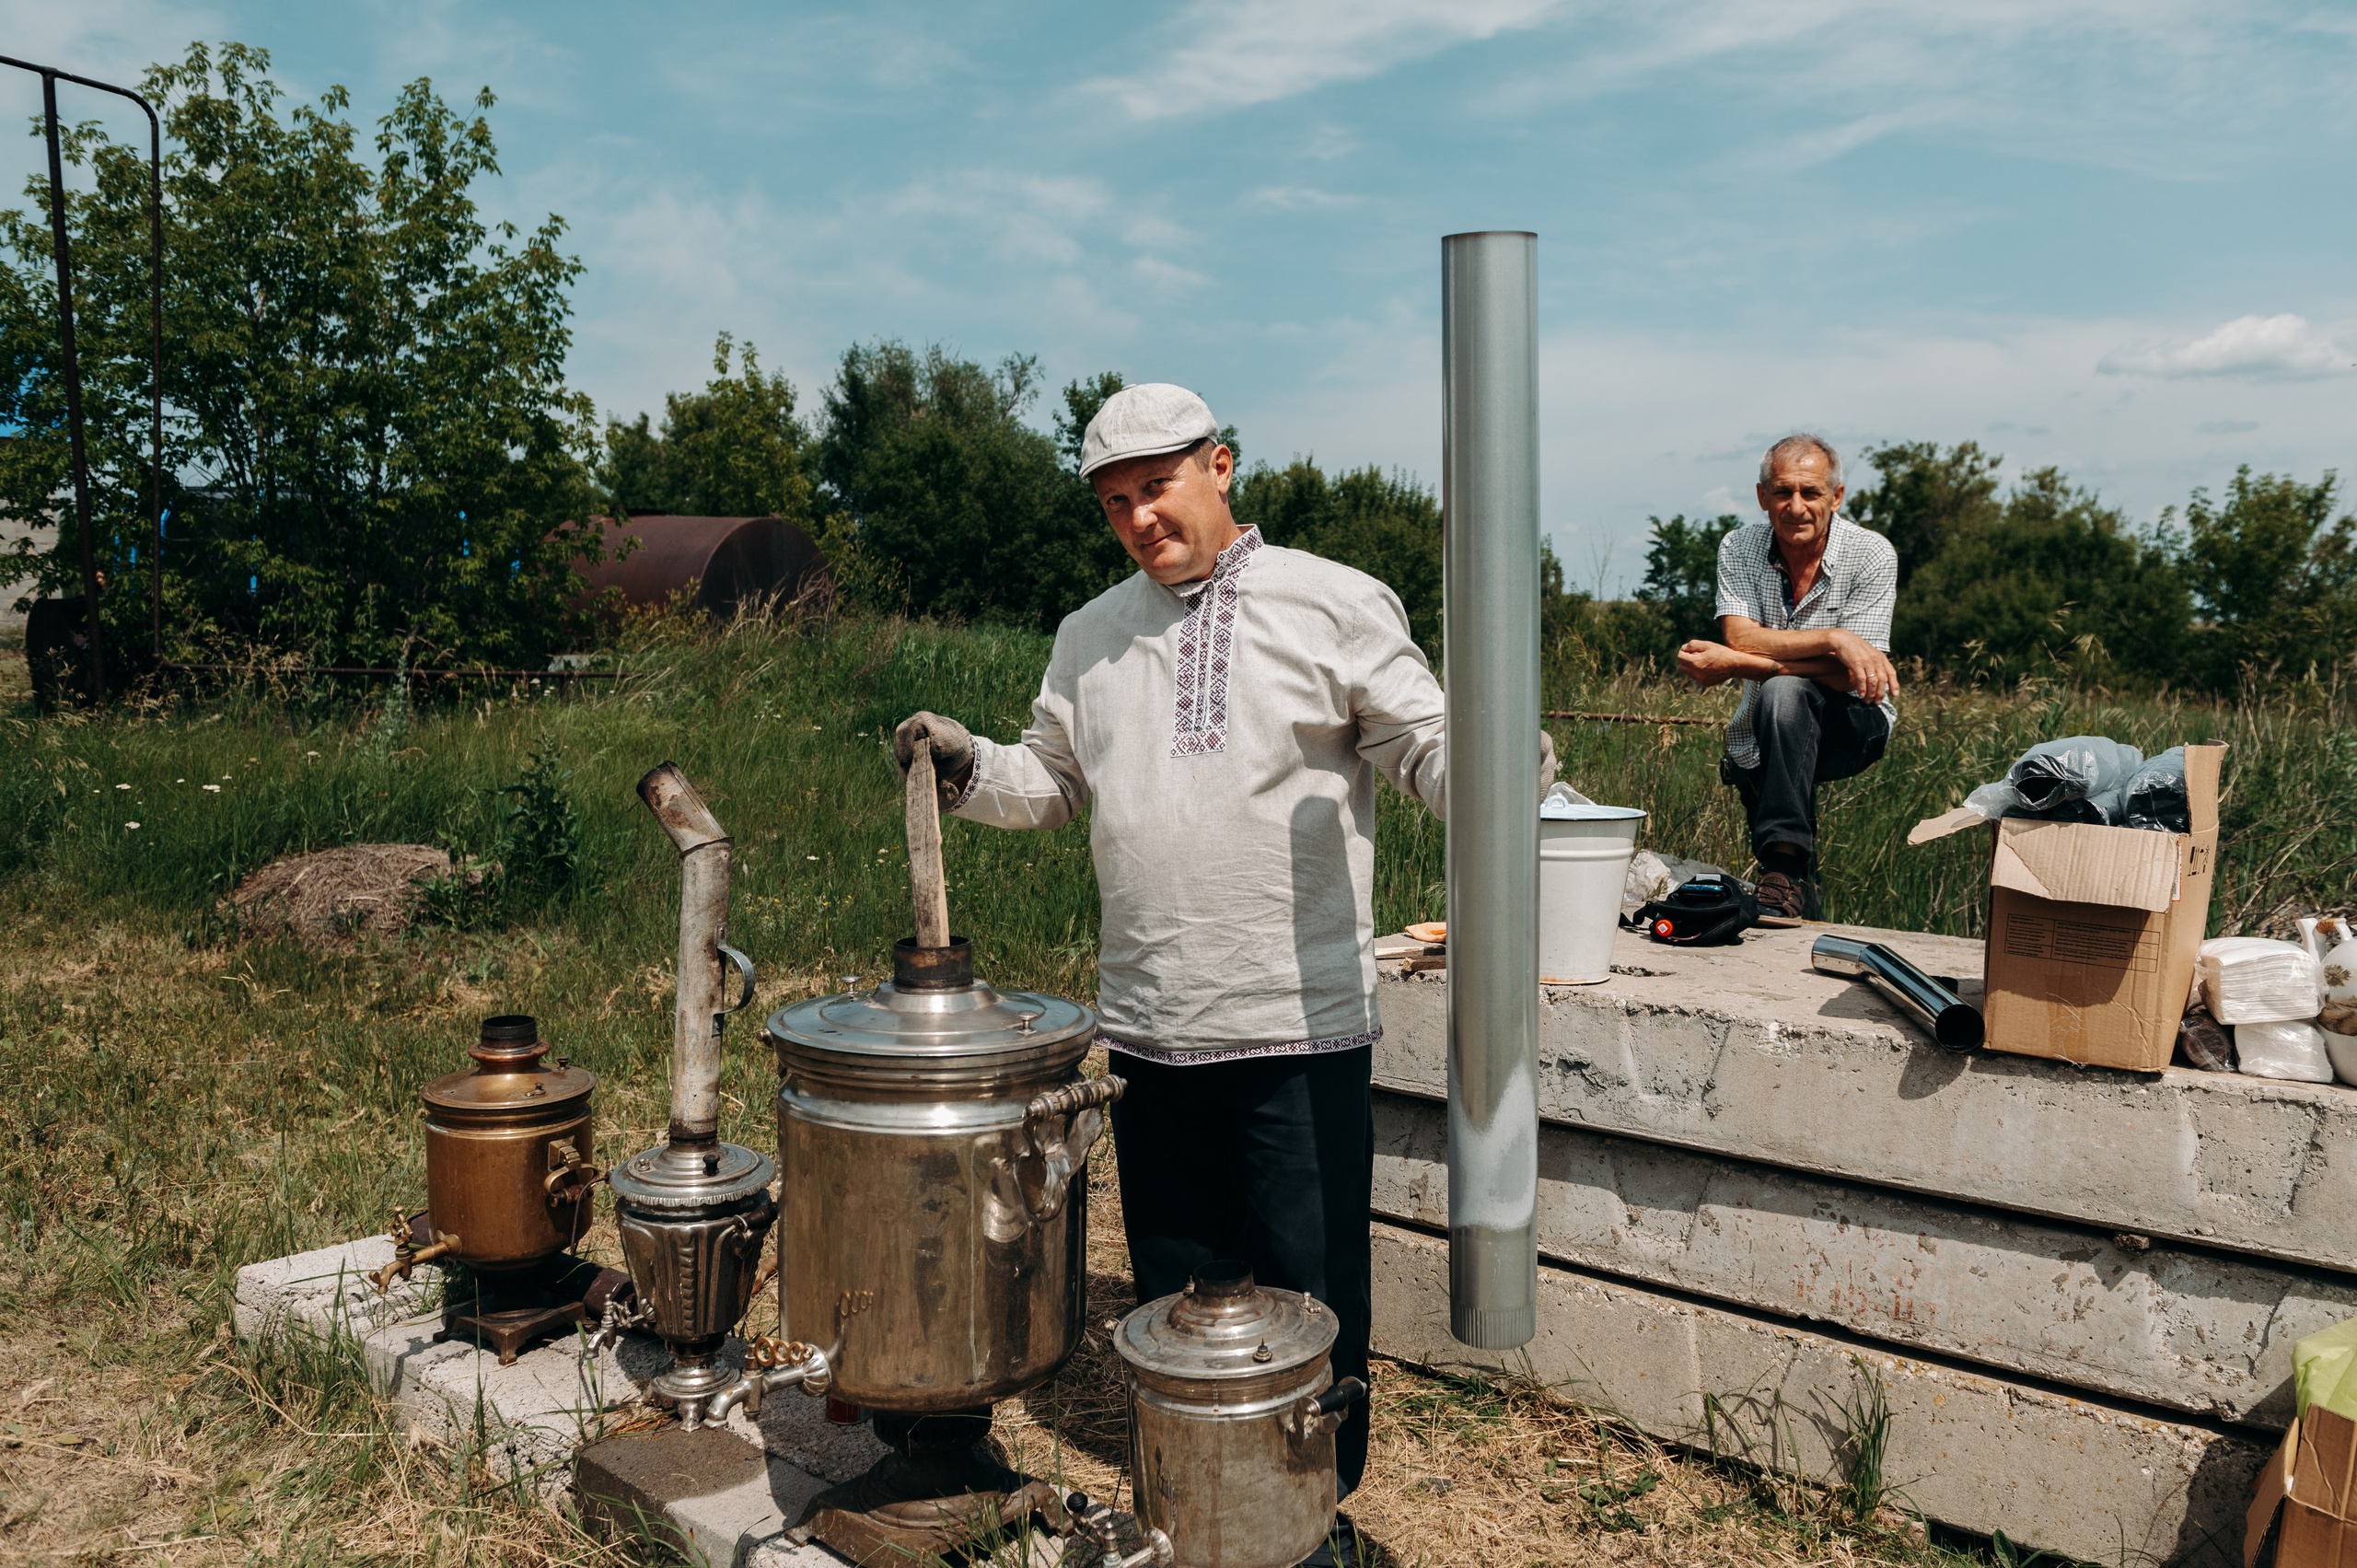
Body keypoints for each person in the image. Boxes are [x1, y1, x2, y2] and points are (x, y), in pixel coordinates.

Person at [893, 383, 1552, 1568]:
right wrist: (966, 763)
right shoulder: (1089, 635)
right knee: (1178, 1286)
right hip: (1149, 1025)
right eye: (1114, 502)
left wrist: (1500, 759)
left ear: (1221, 465)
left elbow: (1421, 750)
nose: (1140, 517)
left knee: (1307, 1293)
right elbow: (1050, 782)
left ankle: (1305, 1519)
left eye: (1156, 486)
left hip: (1293, 1019)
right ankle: (1196, 1506)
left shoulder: (1330, 599)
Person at [1672, 433, 1898, 922]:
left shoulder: (1873, 553)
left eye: (1810, 493)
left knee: (1786, 690)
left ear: (1836, 497)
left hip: (1854, 721)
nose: (1796, 507)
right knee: (1785, 881)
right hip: (1765, 727)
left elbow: (1849, 680)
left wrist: (1742, 665)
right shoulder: (1739, 545)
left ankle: (1784, 869)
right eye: (1782, 492)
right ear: (1762, 497)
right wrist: (1834, 639)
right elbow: (1741, 636)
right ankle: (1790, 893)